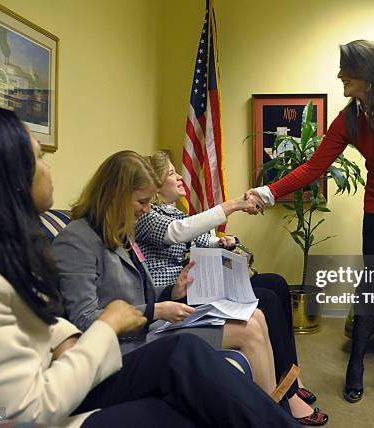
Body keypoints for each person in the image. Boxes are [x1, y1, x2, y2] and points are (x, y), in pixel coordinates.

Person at [0, 105, 299, 427]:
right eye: (39, 157)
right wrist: (108, 323)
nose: (49, 166)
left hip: (99, 354)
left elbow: (36, 316)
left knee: (207, 341)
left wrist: (65, 336)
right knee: (185, 361)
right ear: (4, 176)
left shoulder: (0, 246)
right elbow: (23, 406)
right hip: (51, 394)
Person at [247, 40, 374, 402]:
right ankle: (356, 363)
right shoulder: (351, 119)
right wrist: (268, 193)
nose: (340, 76)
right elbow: (314, 166)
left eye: (348, 72)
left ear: (369, 77)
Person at [52, 150, 297, 403]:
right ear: (116, 196)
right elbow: (83, 319)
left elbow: (141, 293)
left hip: (150, 329)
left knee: (255, 316)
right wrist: (156, 310)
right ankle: (274, 413)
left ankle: (275, 407)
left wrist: (171, 292)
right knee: (248, 331)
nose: (147, 210)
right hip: (126, 345)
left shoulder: (119, 233)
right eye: (142, 201)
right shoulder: (76, 240)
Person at [135, 150, 327, 426]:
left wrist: (222, 244)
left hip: (195, 285)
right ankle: (288, 396)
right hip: (175, 296)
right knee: (266, 299)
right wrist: (234, 205)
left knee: (275, 283)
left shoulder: (175, 212)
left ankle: (292, 378)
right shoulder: (149, 216)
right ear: (153, 184)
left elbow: (200, 237)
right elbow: (178, 232)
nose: (179, 177)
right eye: (171, 173)